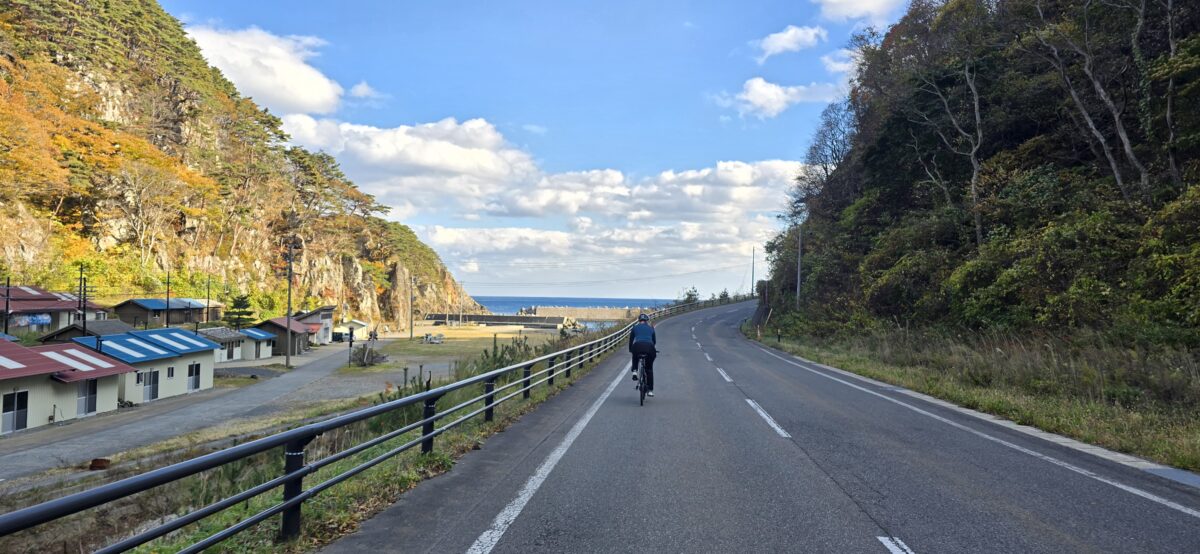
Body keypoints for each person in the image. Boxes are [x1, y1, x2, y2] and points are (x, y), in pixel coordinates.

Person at [629, 313, 656, 397]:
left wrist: (631, 350)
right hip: (649, 347)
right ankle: (650, 390)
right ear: (646, 321)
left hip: (637, 346)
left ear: (639, 321)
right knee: (649, 369)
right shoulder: (651, 328)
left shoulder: (635, 328)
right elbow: (654, 342)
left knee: (635, 356)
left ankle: (634, 371)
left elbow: (631, 340)